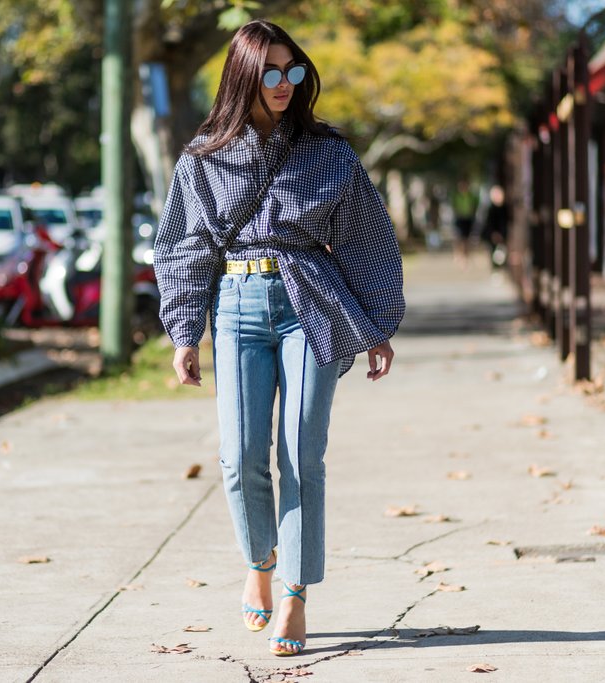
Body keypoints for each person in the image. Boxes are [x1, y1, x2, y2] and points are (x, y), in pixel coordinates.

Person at [153, 20, 405, 657]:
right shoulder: (204, 156)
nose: (285, 84)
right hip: (236, 304)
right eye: (270, 72)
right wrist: (184, 331)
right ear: (243, 76)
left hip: (308, 303)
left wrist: (375, 324)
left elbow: (366, 239)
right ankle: (259, 561)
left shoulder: (327, 153)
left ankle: (294, 593)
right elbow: (186, 246)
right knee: (240, 458)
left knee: (300, 453)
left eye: (293, 71)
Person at [451, 179, 479, 267]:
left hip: (468, 218)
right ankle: (458, 254)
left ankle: (466, 255)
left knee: (466, 239)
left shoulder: (471, 196)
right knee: (459, 238)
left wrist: (472, 212)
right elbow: (454, 205)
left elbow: (475, 204)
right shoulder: (456, 195)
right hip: (460, 218)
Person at [483, 185, 509, 269]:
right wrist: (493, 234)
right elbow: (489, 224)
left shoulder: (505, 208)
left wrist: (502, 234)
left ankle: (502, 267)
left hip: (503, 234)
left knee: (502, 252)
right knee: (494, 252)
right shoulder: (490, 210)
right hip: (493, 235)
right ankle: (495, 268)